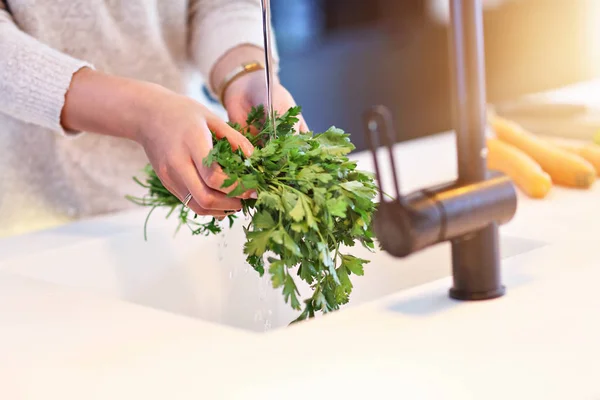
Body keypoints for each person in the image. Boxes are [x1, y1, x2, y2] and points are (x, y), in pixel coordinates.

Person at [0, 0, 307, 238]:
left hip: (183, 191)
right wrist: (143, 112)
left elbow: (221, 4)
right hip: (30, 212)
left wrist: (245, 76)